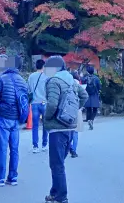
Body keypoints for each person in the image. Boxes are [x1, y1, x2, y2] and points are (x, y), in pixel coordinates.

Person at [43, 56, 87, 203]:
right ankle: (54, 192)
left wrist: (46, 117)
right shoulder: (70, 80)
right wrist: (72, 111)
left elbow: (52, 104)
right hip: (69, 127)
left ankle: (62, 197)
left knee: (57, 164)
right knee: (58, 162)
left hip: (57, 127)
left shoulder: (54, 81)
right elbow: (84, 95)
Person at [0, 54, 28, 186]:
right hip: (16, 118)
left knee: (2, 148)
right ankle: (12, 177)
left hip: (3, 116)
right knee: (14, 149)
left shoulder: (2, 78)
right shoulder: (22, 81)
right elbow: (25, 100)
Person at [28, 59, 49, 153]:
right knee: (45, 124)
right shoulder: (47, 77)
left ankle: (35, 146)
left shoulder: (31, 76)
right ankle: (44, 144)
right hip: (44, 102)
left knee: (35, 125)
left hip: (34, 102)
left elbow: (28, 89)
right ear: (43, 67)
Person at [68, 71, 87, 158]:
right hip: (77, 109)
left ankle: (69, 147)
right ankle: (74, 150)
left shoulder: (66, 84)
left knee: (68, 131)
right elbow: (84, 96)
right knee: (75, 132)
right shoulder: (79, 85)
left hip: (67, 109)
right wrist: (80, 106)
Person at [83, 65, 101, 130]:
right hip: (94, 95)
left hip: (87, 94)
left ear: (87, 71)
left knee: (88, 109)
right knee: (95, 109)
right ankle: (91, 120)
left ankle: (88, 119)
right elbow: (99, 87)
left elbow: (82, 86)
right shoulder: (96, 78)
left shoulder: (85, 78)